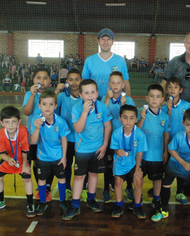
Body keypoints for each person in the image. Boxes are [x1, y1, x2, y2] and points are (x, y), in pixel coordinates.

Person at [151, 108, 190, 229]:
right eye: (188, 124)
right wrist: (182, 162)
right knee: (166, 184)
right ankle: (164, 211)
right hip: (176, 163)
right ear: (183, 123)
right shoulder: (179, 136)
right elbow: (171, 149)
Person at [63, 79, 112, 221]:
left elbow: (108, 127)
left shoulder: (102, 107)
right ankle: (75, 204)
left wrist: (104, 146)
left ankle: (91, 199)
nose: (90, 96)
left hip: (98, 149)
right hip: (82, 150)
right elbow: (78, 128)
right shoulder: (77, 108)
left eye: (92, 92)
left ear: (97, 93)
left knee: (94, 174)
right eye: (86, 93)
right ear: (80, 95)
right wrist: (85, 112)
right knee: (79, 176)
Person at [0, 106, 36, 218]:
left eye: (14, 121)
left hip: (23, 158)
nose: (11, 125)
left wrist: (24, 166)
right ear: (2, 123)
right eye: (7, 122)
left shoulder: (23, 130)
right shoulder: (0, 134)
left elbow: (25, 151)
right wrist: (8, 159)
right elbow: (1, 153)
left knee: (27, 179)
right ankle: (0, 201)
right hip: (9, 158)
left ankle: (30, 203)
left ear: (19, 121)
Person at [30, 90, 71, 215]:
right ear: (39, 106)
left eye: (51, 104)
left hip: (58, 157)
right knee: (42, 180)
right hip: (43, 157)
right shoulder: (37, 121)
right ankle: (43, 202)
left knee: (62, 178)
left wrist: (64, 157)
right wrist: (37, 128)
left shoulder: (61, 122)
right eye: (44, 104)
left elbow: (64, 139)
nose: (47, 107)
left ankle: (63, 200)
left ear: (55, 106)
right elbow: (33, 141)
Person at [101, 71, 135, 203]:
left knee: (126, 163)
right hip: (108, 138)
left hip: (124, 138)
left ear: (123, 85)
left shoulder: (128, 100)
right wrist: (108, 99)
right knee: (108, 165)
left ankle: (129, 187)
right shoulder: (105, 98)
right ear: (109, 84)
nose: (115, 85)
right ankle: (106, 189)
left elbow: (130, 117)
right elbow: (102, 114)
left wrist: (123, 104)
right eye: (113, 82)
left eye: (118, 82)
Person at [110, 105, 148, 219]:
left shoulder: (140, 134)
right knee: (118, 182)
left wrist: (137, 169)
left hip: (133, 163)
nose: (128, 121)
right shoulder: (116, 133)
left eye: (131, 118)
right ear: (120, 118)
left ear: (136, 119)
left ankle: (137, 206)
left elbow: (140, 153)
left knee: (137, 181)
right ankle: (118, 205)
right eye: (125, 117)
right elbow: (114, 149)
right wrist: (117, 151)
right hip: (120, 163)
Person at [137, 84, 170, 214]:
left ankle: (156, 199)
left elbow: (166, 134)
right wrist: (142, 119)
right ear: (146, 98)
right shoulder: (142, 112)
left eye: (158, 97)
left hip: (157, 154)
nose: (154, 99)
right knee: (139, 177)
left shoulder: (164, 116)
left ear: (162, 99)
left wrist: (165, 151)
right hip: (143, 155)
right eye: (151, 96)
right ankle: (138, 199)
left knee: (157, 179)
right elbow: (136, 130)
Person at [23, 67, 55, 202]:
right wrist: (31, 95)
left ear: (49, 81)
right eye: (39, 77)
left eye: (45, 77)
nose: (42, 80)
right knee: (36, 162)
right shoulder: (29, 95)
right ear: (34, 80)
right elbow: (26, 112)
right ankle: (40, 187)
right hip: (34, 136)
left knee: (50, 162)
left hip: (50, 136)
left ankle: (47, 186)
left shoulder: (52, 95)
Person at [161, 77, 190, 204]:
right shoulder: (163, 106)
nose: (173, 90)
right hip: (167, 141)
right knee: (165, 164)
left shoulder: (187, 106)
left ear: (181, 90)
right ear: (166, 90)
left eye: (176, 87)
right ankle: (160, 187)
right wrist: (168, 110)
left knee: (180, 166)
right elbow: (164, 123)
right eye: (170, 87)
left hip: (182, 144)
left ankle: (179, 192)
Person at [55, 68, 83, 202]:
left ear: (81, 81)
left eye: (77, 79)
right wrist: (56, 92)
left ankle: (82, 189)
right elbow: (53, 109)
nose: (74, 82)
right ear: (66, 81)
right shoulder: (61, 97)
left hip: (81, 140)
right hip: (66, 139)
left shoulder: (85, 97)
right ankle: (66, 188)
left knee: (81, 166)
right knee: (66, 164)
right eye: (71, 79)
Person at [82, 28, 131, 99]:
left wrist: (128, 102)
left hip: (114, 101)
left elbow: (126, 82)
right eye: (103, 39)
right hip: (94, 101)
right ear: (98, 41)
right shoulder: (89, 60)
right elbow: (84, 83)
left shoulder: (120, 60)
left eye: (108, 39)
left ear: (113, 42)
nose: (105, 42)